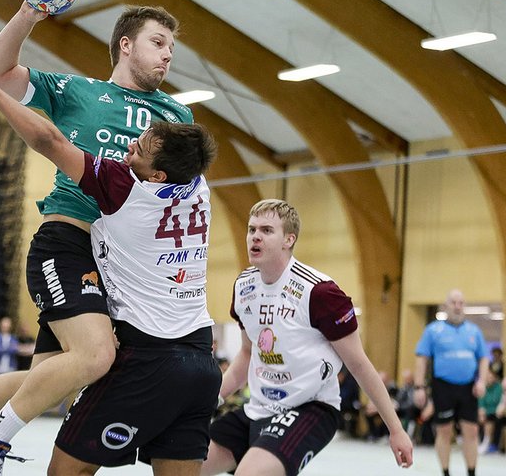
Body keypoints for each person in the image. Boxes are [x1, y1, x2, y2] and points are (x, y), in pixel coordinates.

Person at [0, 2, 192, 475]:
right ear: (126, 45)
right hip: (68, 242)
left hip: (120, 264)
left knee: (46, 380)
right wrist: (29, 13)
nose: (167, 55)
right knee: (95, 355)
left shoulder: (176, 114)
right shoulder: (79, 91)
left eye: (171, 48)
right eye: (158, 43)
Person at [0, 81, 220, 475]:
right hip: (201, 361)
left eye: (140, 148)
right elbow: (190, 148)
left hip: (148, 355)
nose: (130, 146)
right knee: (48, 377)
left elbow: (49, 140)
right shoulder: (200, 190)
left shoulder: (126, 188)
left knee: (65, 465)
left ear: (157, 176)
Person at [202, 199, 413, 476]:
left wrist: (396, 429)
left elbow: (359, 364)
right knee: (183, 464)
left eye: (266, 230)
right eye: (252, 229)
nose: (255, 236)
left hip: (311, 407)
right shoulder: (244, 286)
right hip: (258, 408)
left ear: (289, 239)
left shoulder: (320, 293)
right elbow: (247, 353)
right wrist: (211, 398)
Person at [414, 289, 489, 476]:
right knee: (444, 431)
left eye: (461, 303)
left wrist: (482, 381)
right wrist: (419, 387)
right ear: (445, 306)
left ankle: (471, 472)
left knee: (471, 431)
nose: (457, 307)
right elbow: (421, 358)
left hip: (468, 387)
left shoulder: (474, 331)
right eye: (453, 303)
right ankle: (446, 472)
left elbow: (484, 358)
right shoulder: (433, 330)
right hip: (443, 386)